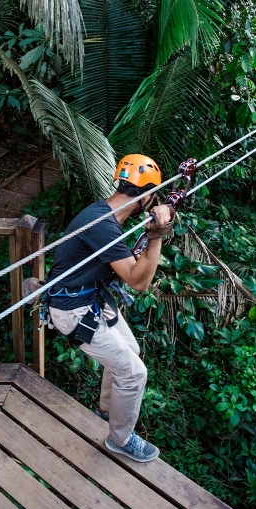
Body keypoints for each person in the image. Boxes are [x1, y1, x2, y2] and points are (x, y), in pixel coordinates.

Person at [38, 154, 174, 463]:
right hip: (73, 311)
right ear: (147, 195)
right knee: (135, 374)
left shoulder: (103, 213)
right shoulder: (103, 226)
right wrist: (157, 236)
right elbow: (139, 281)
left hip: (90, 302)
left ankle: (106, 409)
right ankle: (120, 438)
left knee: (132, 354)